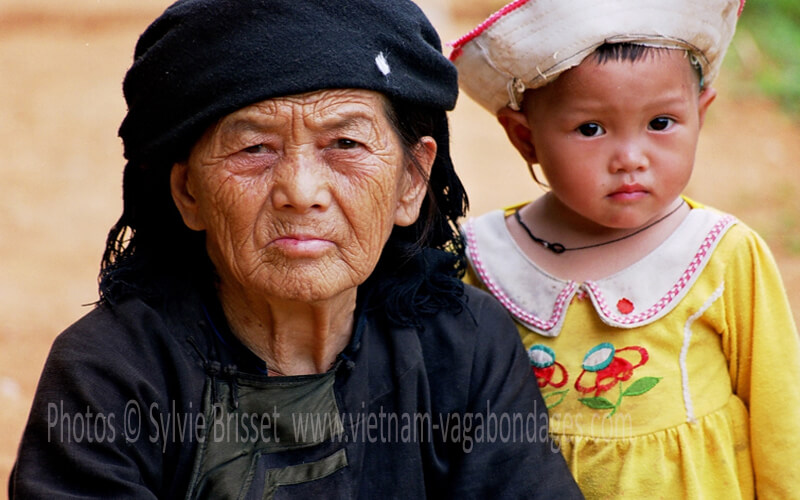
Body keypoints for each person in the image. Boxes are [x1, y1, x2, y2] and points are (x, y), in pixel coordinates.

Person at [9, 0, 584, 498]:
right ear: (189, 192)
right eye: (254, 148)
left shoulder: (462, 347)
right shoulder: (112, 374)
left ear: (411, 182)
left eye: (345, 143)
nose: (301, 192)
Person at [450, 0, 800, 498]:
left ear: (700, 115)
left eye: (661, 123)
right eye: (591, 129)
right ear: (524, 138)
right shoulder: (485, 260)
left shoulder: (721, 254)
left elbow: (780, 414)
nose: (631, 159)